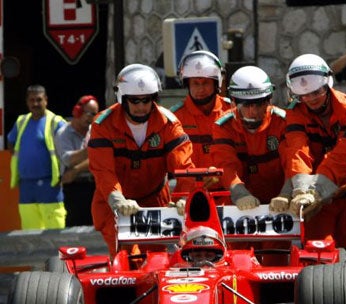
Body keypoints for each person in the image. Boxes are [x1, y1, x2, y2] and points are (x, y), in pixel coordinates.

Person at [88, 64, 194, 259]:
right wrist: (118, 200)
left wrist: (183, 198)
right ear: (122, 99)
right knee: (125, 258)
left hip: (155, 199)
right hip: (114, 203)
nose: (141, 107)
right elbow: (103, 171)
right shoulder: (103, 125)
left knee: (158, 259)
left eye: (146, 100)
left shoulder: (168, 124)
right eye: (134, 101)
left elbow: (184, 165)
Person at [270, 53, 346, 248]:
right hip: (316, 203)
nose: (310, 99)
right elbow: (297, 150)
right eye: (303, 95)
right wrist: (301, 190)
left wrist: (316, 190)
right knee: (317, 256)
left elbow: (344, 156)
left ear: (328, 84)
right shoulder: (295, 112)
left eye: (316, 93)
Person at [210, 65, 287, 209]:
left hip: (281, 203)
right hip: (241, 205)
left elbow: (293, 160)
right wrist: (240, 193)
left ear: (268, 101)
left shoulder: (283, 122)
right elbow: (226, 165)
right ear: (234, 102)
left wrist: (287, 194)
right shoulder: (223, 126)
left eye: (258, 104)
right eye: (246, 105)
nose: (253, 112)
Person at [7, 84, 67, 230]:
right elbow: (11, 141)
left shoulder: (56, 122)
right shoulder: (21, 121)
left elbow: (70, 145)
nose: (35, 104)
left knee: (56, 233)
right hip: (26, 185)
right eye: (32, 100)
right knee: (29, 234)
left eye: (39, 100)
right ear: (27, 102)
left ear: (46, 100)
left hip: (50, 184)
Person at [171, 50, 230, 190]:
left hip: (228, 197)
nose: (200, 89)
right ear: (187, 84)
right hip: (187, 197)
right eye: (195, 83)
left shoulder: (231, 111)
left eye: (205, 83)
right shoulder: (174, 117)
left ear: (217, 83)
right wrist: (197, 178)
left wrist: (220, 174)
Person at [54, 95, 99, 226]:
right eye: (89, 113)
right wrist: (91, 149)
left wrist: (76, 170)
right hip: (74, 188)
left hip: (94, 185)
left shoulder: (95, 131)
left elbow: (100, 160)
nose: (92, 118)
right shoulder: (63, 133)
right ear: (78, 111)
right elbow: (68, 160)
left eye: (95, 114)